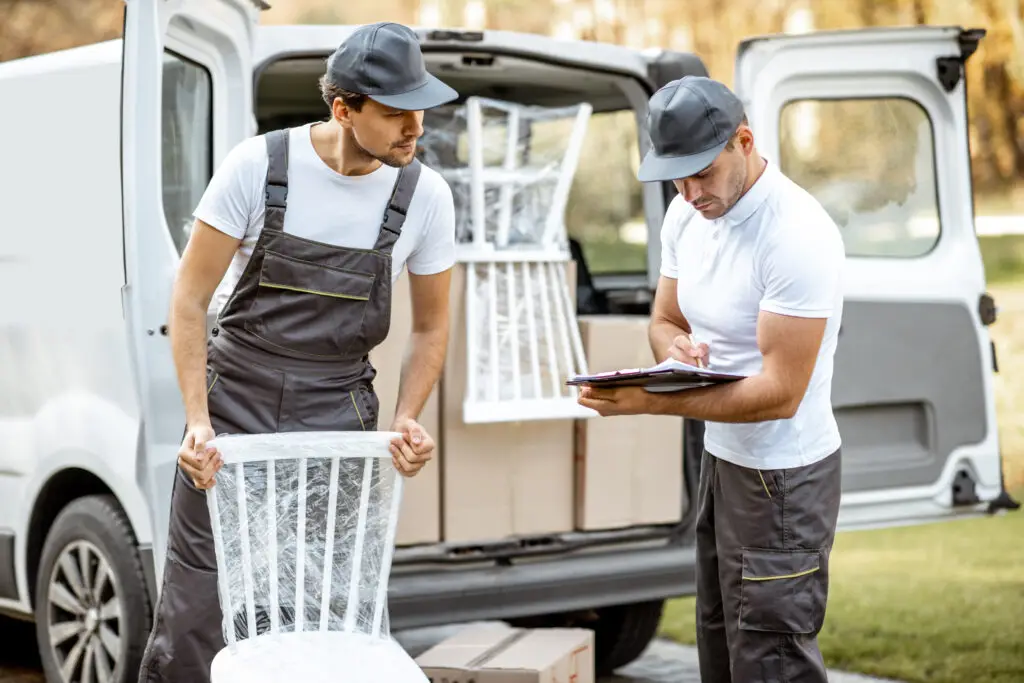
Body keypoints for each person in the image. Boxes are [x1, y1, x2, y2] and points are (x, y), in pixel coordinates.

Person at [137, 22, 459, 683]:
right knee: (201, 602)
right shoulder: (257, 167)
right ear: (343, 108)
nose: (414, 129)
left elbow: (430, 327)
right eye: (396, 114)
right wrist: (197, 420)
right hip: (233, 409)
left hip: (337, 416)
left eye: (419, 110)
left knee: (322, 607)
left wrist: (407, 417)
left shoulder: (426, 197)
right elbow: (189, 301)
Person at [577, 75, 846, 683]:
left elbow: (780, 393)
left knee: (770, 661)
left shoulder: (796, 234)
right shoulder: (685, 216)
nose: (690, 190)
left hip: (784, 478)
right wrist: (675, 348)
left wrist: (650, 401)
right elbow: (664, 318)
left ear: (743, 141)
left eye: (701, 172)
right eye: (676, 175)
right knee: (720, 648)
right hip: (722, 462)